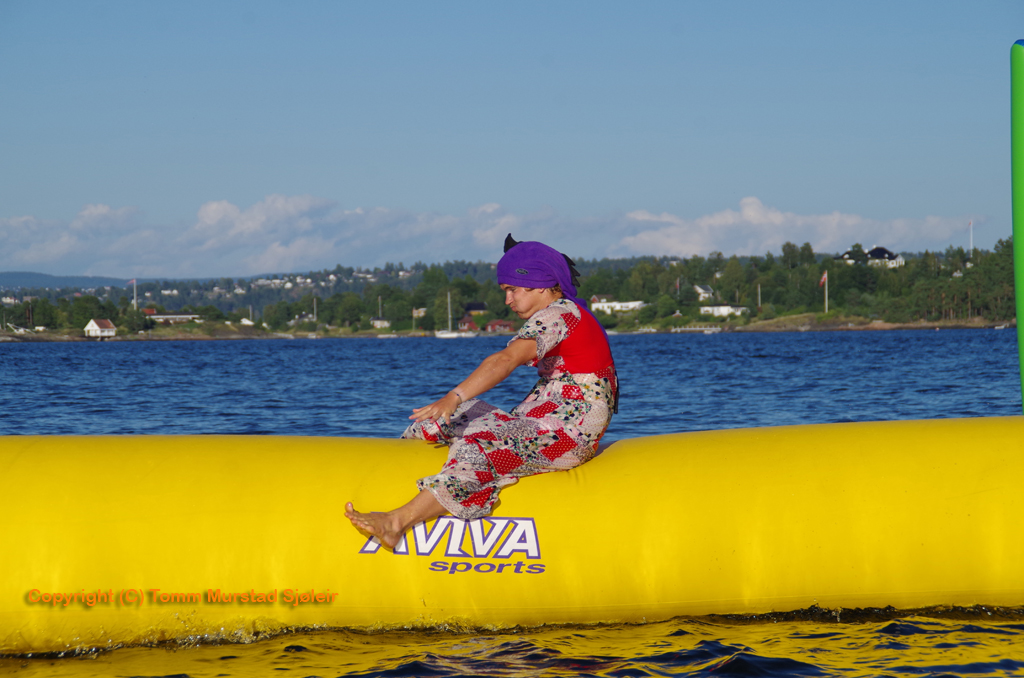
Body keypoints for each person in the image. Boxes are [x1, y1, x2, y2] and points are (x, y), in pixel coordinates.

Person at [345, 234, 617, 549]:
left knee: (477, 442)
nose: (508, 300)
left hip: (569, 436)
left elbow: (506, 360)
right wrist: (452, 407)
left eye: (513, 289)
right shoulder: (562, 314)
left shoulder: (561, 314)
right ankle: (391, 484)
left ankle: (396, 523)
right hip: (540, 424)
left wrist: (454, 397)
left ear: (541, 285)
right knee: (440, 421)